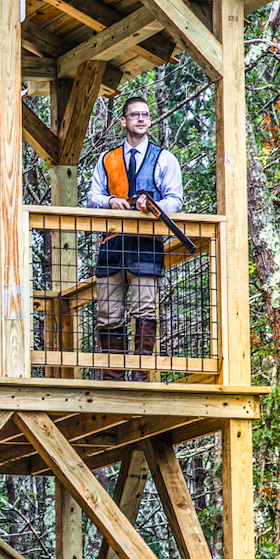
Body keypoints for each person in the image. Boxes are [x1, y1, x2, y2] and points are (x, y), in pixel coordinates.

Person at [85, 94, 183, 381]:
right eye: (135, 114)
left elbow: (175, 200)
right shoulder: (107, 159)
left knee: (145, 309)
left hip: (146, 247)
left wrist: (150, 206)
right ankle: (113, 376)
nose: (141, 119)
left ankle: (140, 374)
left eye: (146, 115)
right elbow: (93, 197)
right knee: (107, 311)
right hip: (112, 245)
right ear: (124, 121)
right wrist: (109, 202)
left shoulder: (164, 158)